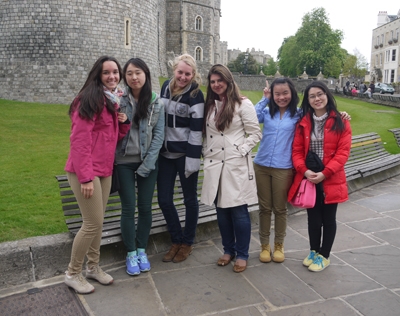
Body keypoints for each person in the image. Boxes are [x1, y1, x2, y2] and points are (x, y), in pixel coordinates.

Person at [64, 56, 130, 293]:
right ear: (97, 75)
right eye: (106, 73)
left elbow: (110, 138)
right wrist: (85, 178)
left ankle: (93, 267)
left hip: (104, 169)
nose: (112, 76)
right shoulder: (89, 99)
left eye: (115, 72)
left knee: (98, 223)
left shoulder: (111, 100)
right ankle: (73, 272)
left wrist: (123, 122)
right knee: (92, 223)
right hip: (87, 170)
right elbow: (79, 141)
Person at [201, 64, 262, 273]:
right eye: (213, 81)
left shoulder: (243, 104)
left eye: (220, 80)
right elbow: (205, 134)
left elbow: (255, 133)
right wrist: (205, 150)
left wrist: (241, 150)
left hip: (235, 164)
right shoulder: (209, 105)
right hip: (215, 163)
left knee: (238, 210)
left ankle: (242, 254)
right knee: (221, 211)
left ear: (228, 80)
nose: (217, 85)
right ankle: (228, 250)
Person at [288, 81, 351, 272]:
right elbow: (296, 151)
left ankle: (325, 255)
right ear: (308, 100)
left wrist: (325, 173)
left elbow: (343, 153)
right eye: (312, 96)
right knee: (313, 219)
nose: (317, 99)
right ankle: (314, 251)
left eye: (320, 94)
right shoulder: (303, 122)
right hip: (310, 178)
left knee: (328, 219)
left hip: (331, 177)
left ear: (327, 95)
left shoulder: (341, 120)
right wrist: (305, 171)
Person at [116, 58, 165, 276]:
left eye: (138, 73)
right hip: (124, 162)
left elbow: (158, 137)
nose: (134, 77)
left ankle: (142, 249)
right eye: (129, 74)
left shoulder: (157, 103)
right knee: (128, 208)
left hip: (148, 162)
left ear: (146, 74)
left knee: (145, 208)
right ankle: (131, 252)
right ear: (125, 77)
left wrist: (148, 164)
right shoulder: (117, 100)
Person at [157, 54, 205, 263]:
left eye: (188, 73)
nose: (183, 77)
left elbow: (196, 131)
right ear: (174, 70)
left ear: (193, 74)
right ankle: (176, 239)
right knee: (164, 200)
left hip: (185, 154)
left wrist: (193, 160)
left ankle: (187, 242)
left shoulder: (195, 95)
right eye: (180, 72)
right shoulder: (166, 87)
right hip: (165, 155)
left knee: (189, 200)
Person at [253, 78, 300, 264]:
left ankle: (279, 244)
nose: (281, 97)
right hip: (262, 165)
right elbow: (252, 116)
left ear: (292, 93)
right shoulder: (267, 112)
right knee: (264, 208)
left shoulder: (298, 114)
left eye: (285, 93)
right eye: (277, 94)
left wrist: (342, 114)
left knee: (280, 209)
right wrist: (265, 98)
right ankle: (265, 245)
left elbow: (320, 116)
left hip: (283, 167)